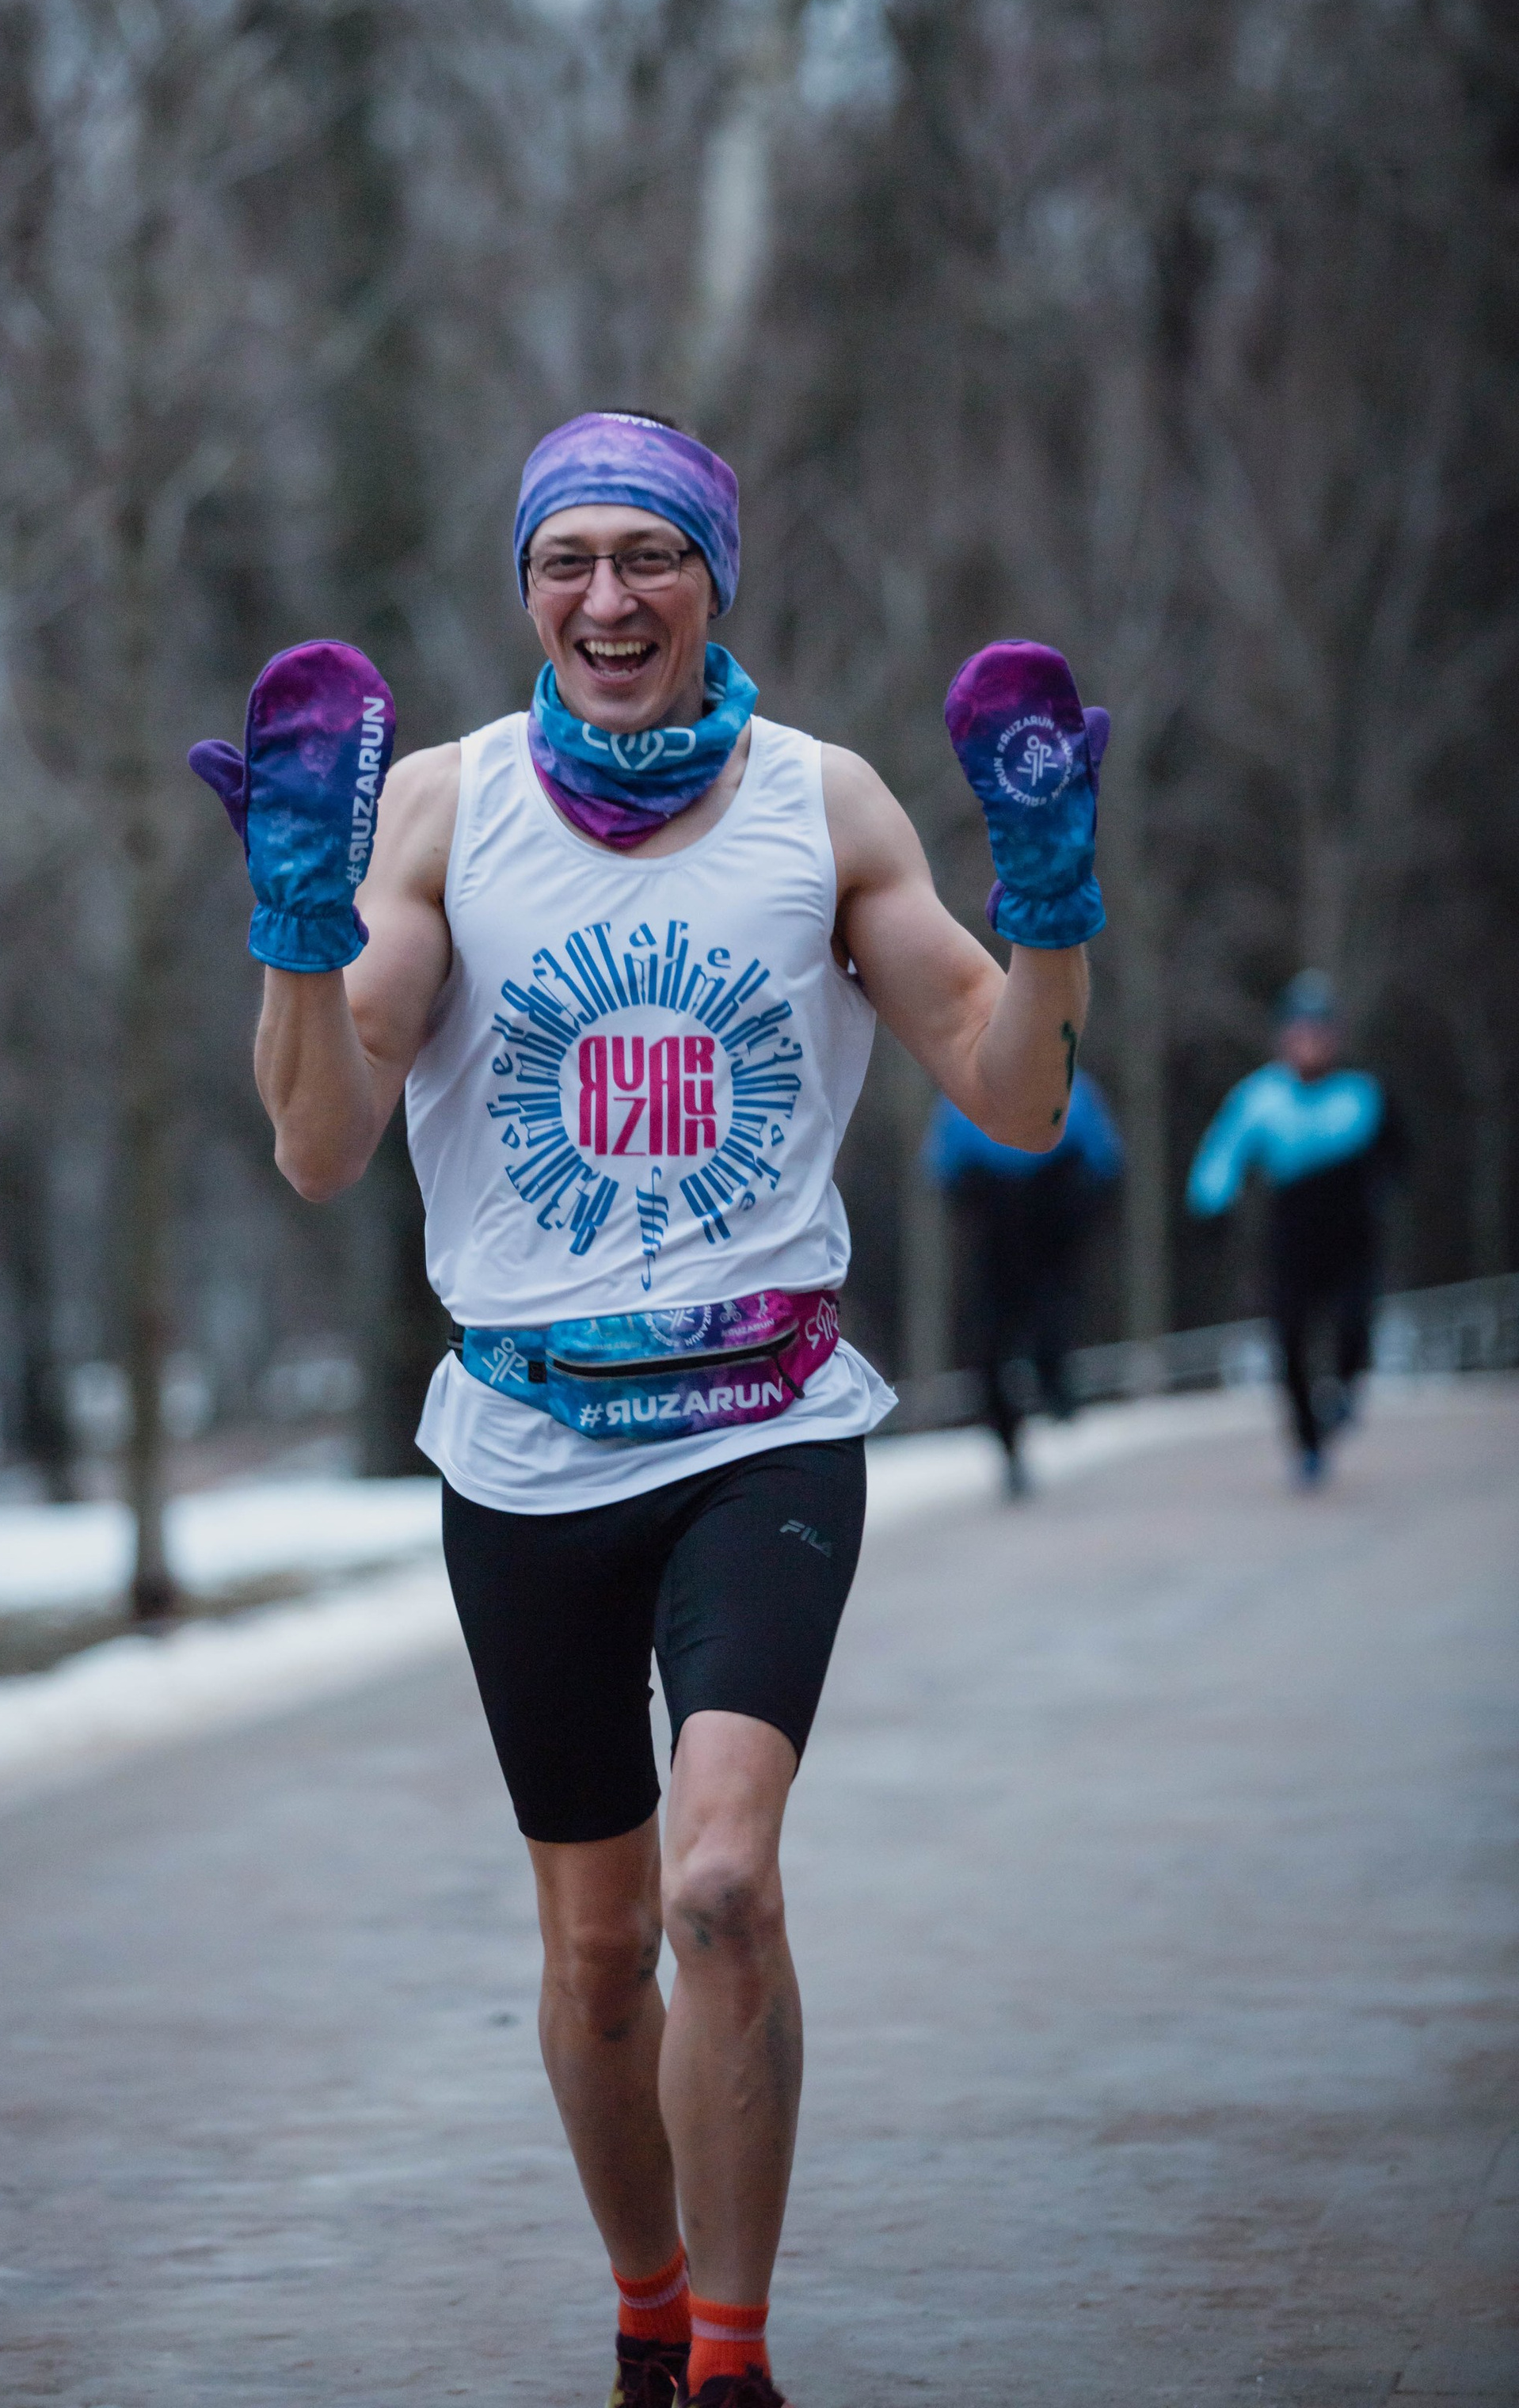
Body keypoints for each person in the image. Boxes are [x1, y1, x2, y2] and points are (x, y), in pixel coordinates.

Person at [189, 410, 1107, 2408]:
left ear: (714, 577)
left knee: (718, 1883)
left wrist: (1045, 905)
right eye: (565, 561)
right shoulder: (436, 807)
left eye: (648, 556)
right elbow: (322, 1146)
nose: (606, 598)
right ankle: (641, 2292)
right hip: (520, 1454)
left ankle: (729, 2356)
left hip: (758, 1428)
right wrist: (291, 921)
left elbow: (1016, 1095)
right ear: (524, 588)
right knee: (601, 1950)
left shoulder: (822, 804)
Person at [1185, 970, 1404, 1487]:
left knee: (1354, 1323)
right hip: (1290, 1237)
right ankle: (1307, 1442)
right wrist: (1210, 1204)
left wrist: (1384, 1189)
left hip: (1353, 1236)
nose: (1307, 1043)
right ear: (1284, 1036)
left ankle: (1348, 1389)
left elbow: (1398, 1156)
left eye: (1318, 1031)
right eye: (1298, 1031)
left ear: (1334, 1037)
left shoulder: (1363, 1095)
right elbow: (1223, 1153)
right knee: (1289, 1336)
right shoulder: (1261, 1097)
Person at [924, 1071, 1123, 1494]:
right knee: (988, 1348)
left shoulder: (1070, 1084)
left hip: (1051, 1215)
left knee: (1050, 1315)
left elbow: (1104, 1157)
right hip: (994, 1227)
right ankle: (1009, 1445)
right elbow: (941, 1166)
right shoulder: (961, 1094)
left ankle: (1056, 1383)